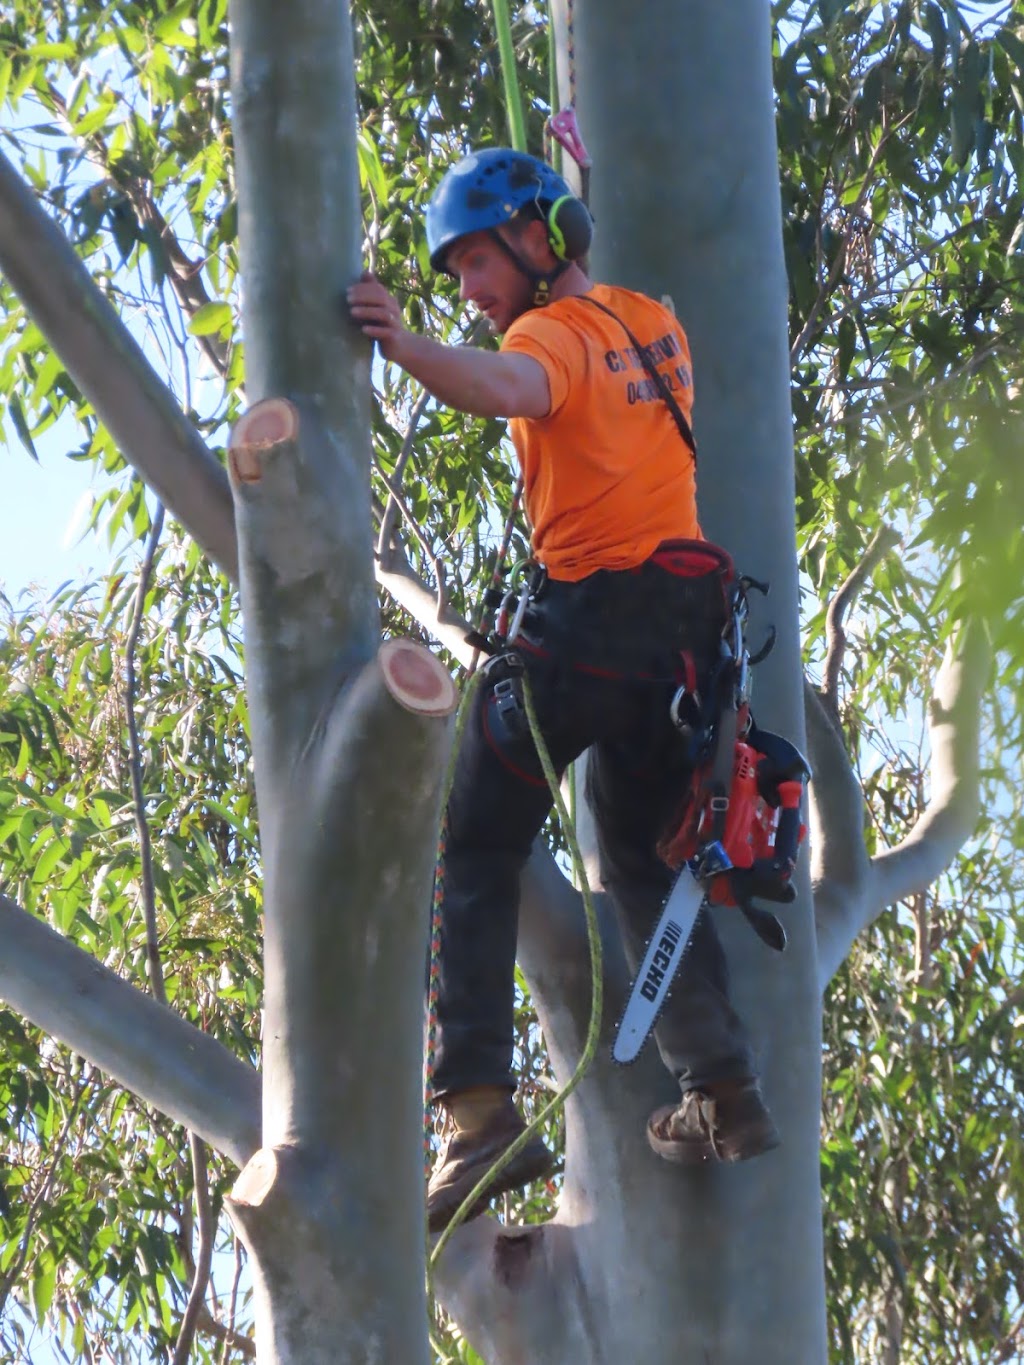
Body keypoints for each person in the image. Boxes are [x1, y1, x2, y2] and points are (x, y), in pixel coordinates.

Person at [348, 148, 779, 1234]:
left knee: (479, 840)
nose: (467, 290)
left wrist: (403, 343)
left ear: (541, 239)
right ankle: (719, 1088)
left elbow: (509, 388)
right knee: (640, 860)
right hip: (683, 649)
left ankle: (480, 1113)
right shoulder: (653, 325)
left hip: (590, 635)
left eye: (478, 261)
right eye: (452, 277)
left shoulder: (543, 339)